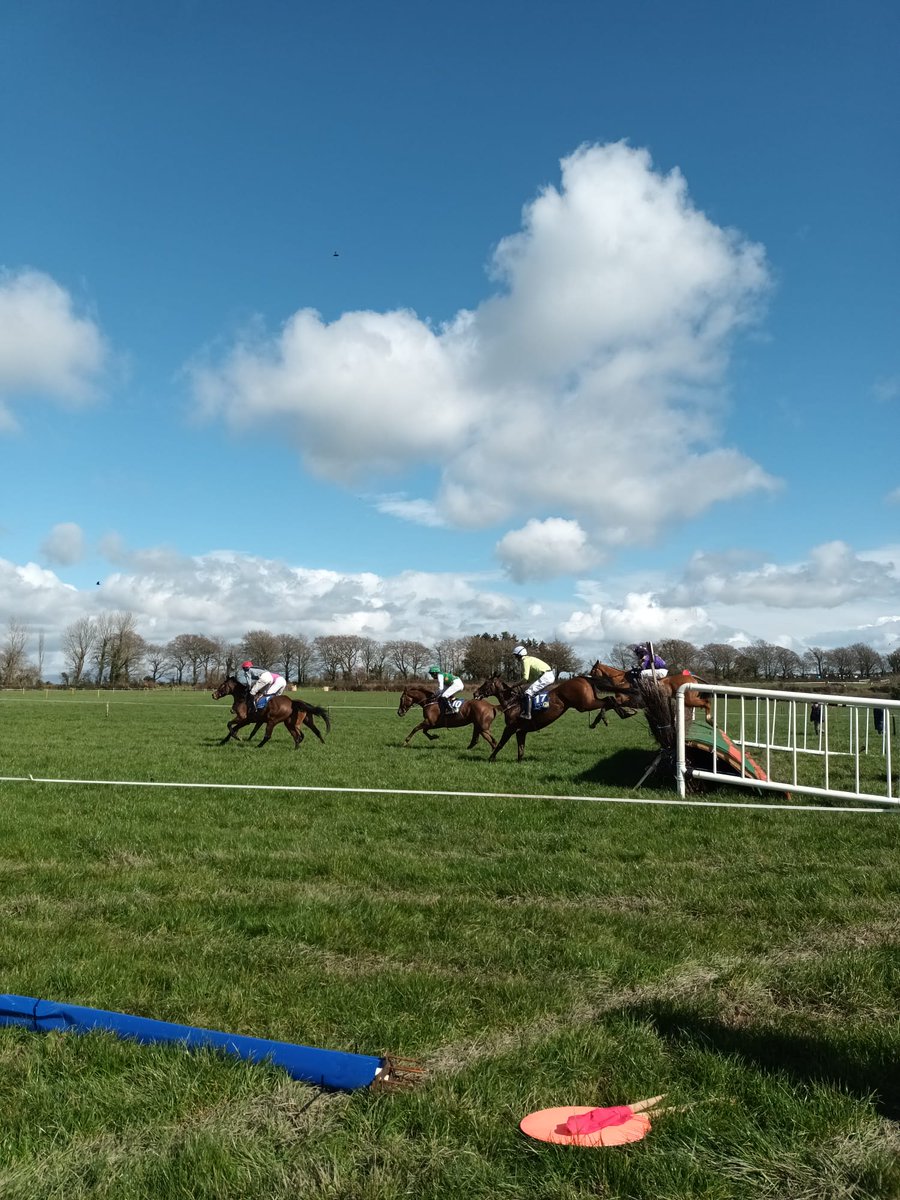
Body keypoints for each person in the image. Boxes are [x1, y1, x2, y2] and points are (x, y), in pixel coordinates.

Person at [513, 644, 556, 719]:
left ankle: (528, 714)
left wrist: (516, 684)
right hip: (548, 675)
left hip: (546, 676)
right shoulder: (529, 659)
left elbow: (525, 678)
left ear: (519, 655)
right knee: (530, 691)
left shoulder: (525, 661)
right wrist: (524, 684)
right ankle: (536, 709)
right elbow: (531, 678)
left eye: (516, 655)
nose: (515, 658)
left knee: (528, 693)